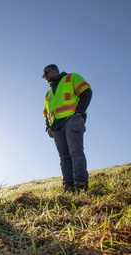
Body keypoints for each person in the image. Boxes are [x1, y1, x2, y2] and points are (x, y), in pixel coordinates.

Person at [42, 64, 92, 193]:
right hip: (56, 128)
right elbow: (46, 114)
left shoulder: (71, 78)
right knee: (64, 157)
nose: (45, 76)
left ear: (55, 70)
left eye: (47, 72)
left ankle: (81, 183)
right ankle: (68, 186)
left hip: (72, 120)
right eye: (43, 75)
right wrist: (48, 128)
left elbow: (86, 92)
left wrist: (79, 112)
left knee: (76, 151)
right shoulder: (48, 95)